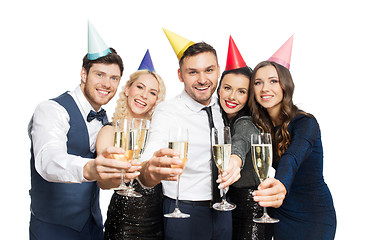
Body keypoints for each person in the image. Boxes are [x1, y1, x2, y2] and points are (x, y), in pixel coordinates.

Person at [28, 22, 137, 240]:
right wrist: (89, 168)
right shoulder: (51, 109)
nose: (107, 83)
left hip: (93, 227)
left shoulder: (106, 120)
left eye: (114, 78)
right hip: (53, 229)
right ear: (84, 74)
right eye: (99, 74)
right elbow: (48, 159)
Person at [138, 29, 241, 240]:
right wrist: (151, 170)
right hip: (183, 211)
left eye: (209, 70)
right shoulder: (168, 111)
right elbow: (146, 164)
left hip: (224, 209)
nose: (202, 79)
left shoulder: (225, 104)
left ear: (218, 70)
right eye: (192, 72)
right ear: (180, 75)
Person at [250, 36, 337, 239]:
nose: (265, 88)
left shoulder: (306, 122)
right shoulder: (259, 126)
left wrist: (280, 183)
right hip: (281, 213)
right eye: (258, 82)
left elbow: (293, 157)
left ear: (285, 86)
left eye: (273, 81)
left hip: (313, 214)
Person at [95, 50, 167, 240]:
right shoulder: (109, 131)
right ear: (127, 89)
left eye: (152, 92)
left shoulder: (158, 135)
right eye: (140, 87)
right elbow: (103, 182)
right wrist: (118, 174)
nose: (144, 95)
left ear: (156, 101)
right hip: (123, 223)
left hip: (158, 221)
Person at [217, 36, 272, 240]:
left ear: (249, 97)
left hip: (252, 208)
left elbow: (242, 139)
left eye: (242, 92)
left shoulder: (246, 122)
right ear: (219, 88)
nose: (232, 97)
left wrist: (235, 159)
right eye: (228, 88)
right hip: (230, 206)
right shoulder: (217, 119)